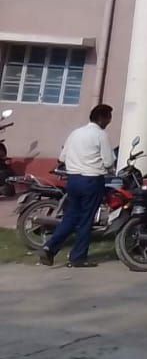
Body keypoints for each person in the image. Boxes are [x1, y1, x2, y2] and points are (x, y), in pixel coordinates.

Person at [39, 104, 115, 268]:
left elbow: (62, 157)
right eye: (109, 118)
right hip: (92, 181)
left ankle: (49, 247)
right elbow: (109, 162)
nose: (109, 121)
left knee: (71, 216)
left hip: (73, 181)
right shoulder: (101, 135)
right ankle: (78, 257)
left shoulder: (75, 133)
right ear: (102, 118)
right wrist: (108, 168)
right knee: (86, 220)